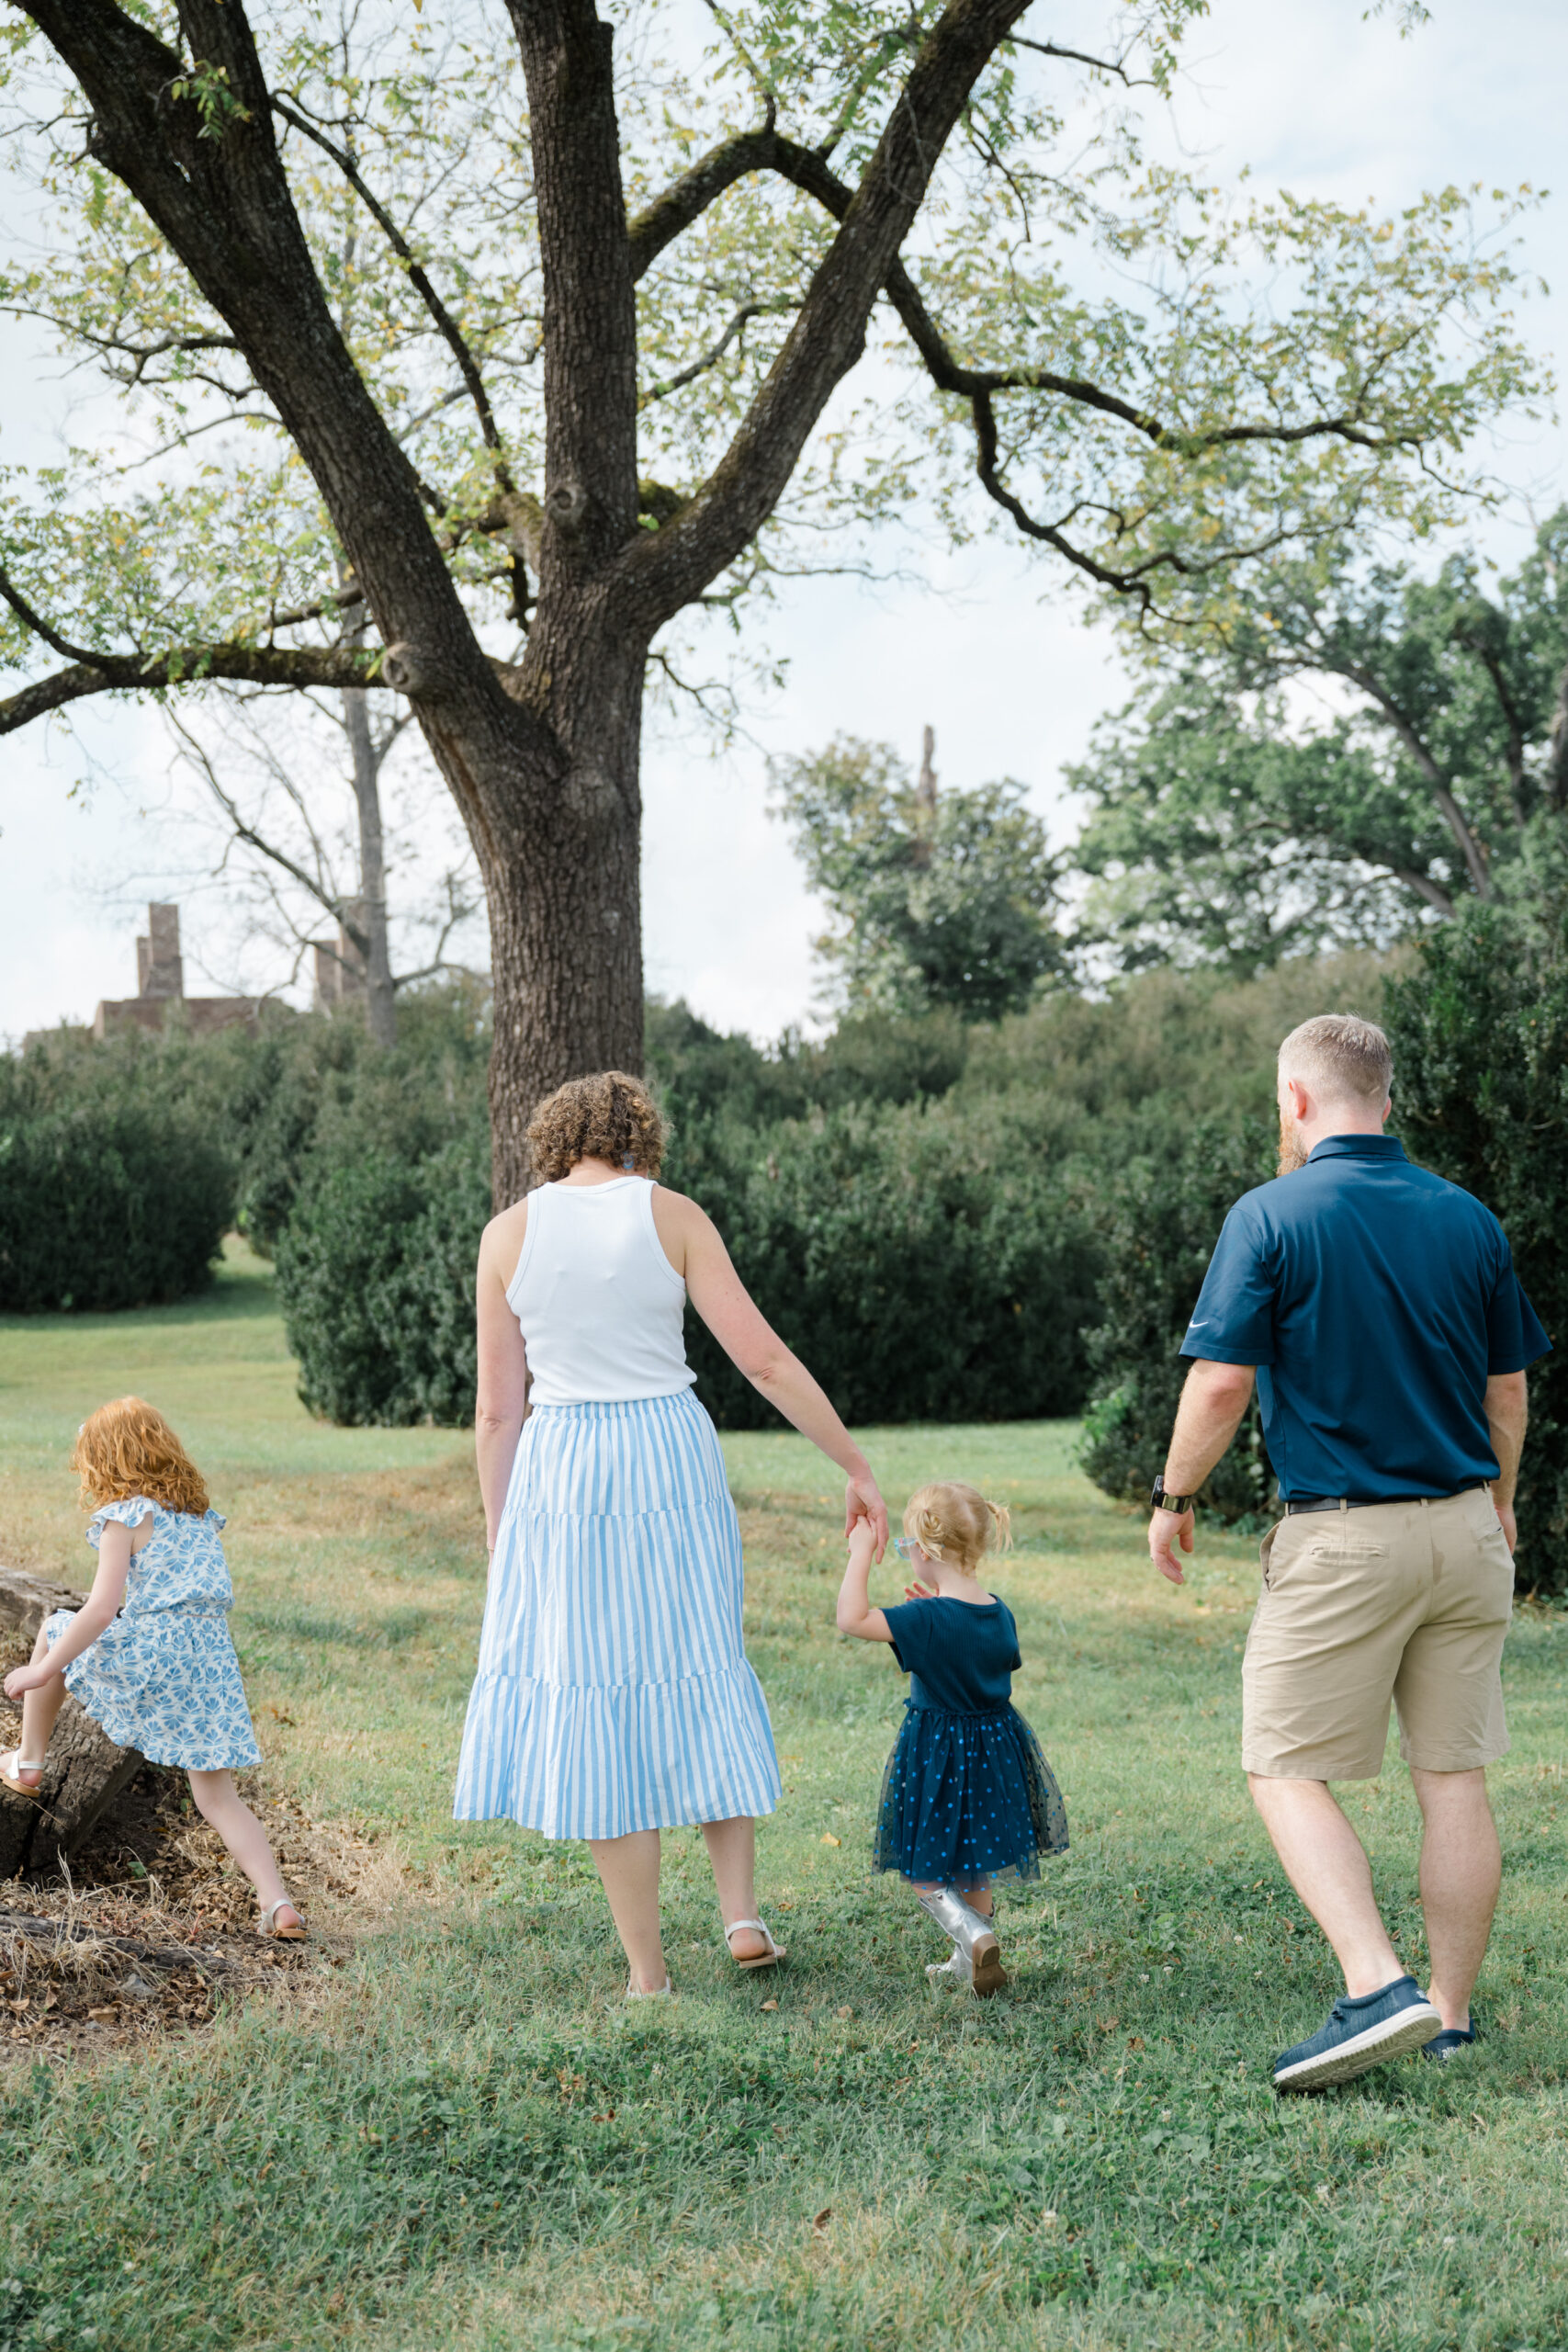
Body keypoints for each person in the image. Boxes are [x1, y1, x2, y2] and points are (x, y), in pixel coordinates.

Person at [1146, 1013, 1549, 2091]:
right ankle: (1450, 2015)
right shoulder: (1468, 1218)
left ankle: (1378, 1984)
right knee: (1453, 1775)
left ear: (1295, 1102)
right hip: (1468, 1529)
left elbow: (1222, 1380)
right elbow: (1508, 1391)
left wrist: (1173, 1493)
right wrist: (1500, 1505)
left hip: (1345, 1537)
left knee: (1281, 1762)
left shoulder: (1271, 1214)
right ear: (1387, 1097)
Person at [455, 1069, 888, 1999]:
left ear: (555, 1140)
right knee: (703, 1659)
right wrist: (852, 1463)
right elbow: (763, 1358)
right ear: (638, 1138)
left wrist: (504, 1529)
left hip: (565, 1468)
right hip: (665, 1452)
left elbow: (498, 1410)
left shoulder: (507, 1235)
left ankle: (647, 1971)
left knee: (604, 1694)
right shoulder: (673, 1214)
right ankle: (739, 1913)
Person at [1, 1396, 305, 1941]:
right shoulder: (197, 1519)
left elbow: (98, 1610)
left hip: (157, 1655)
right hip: (211, 1667)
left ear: (106, 1462)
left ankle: (28, 1762)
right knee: (217, 1797)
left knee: (54, 1627)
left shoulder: (125, 1516)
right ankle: (278, 1901)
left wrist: (42, 1673)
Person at [836, 1479, 1067, 1996]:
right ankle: (969, 1963)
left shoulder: (927, 1617)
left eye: (904, 1548)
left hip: (938, 1757)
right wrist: (935, 1614)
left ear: (925, 1550)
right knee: (975, 1861)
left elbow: (850, 1618)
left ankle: (973, 1933)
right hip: (996, 1754)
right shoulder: (998, 1611)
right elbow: (992, 1659)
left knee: (926, 1868)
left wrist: (859, 1551)